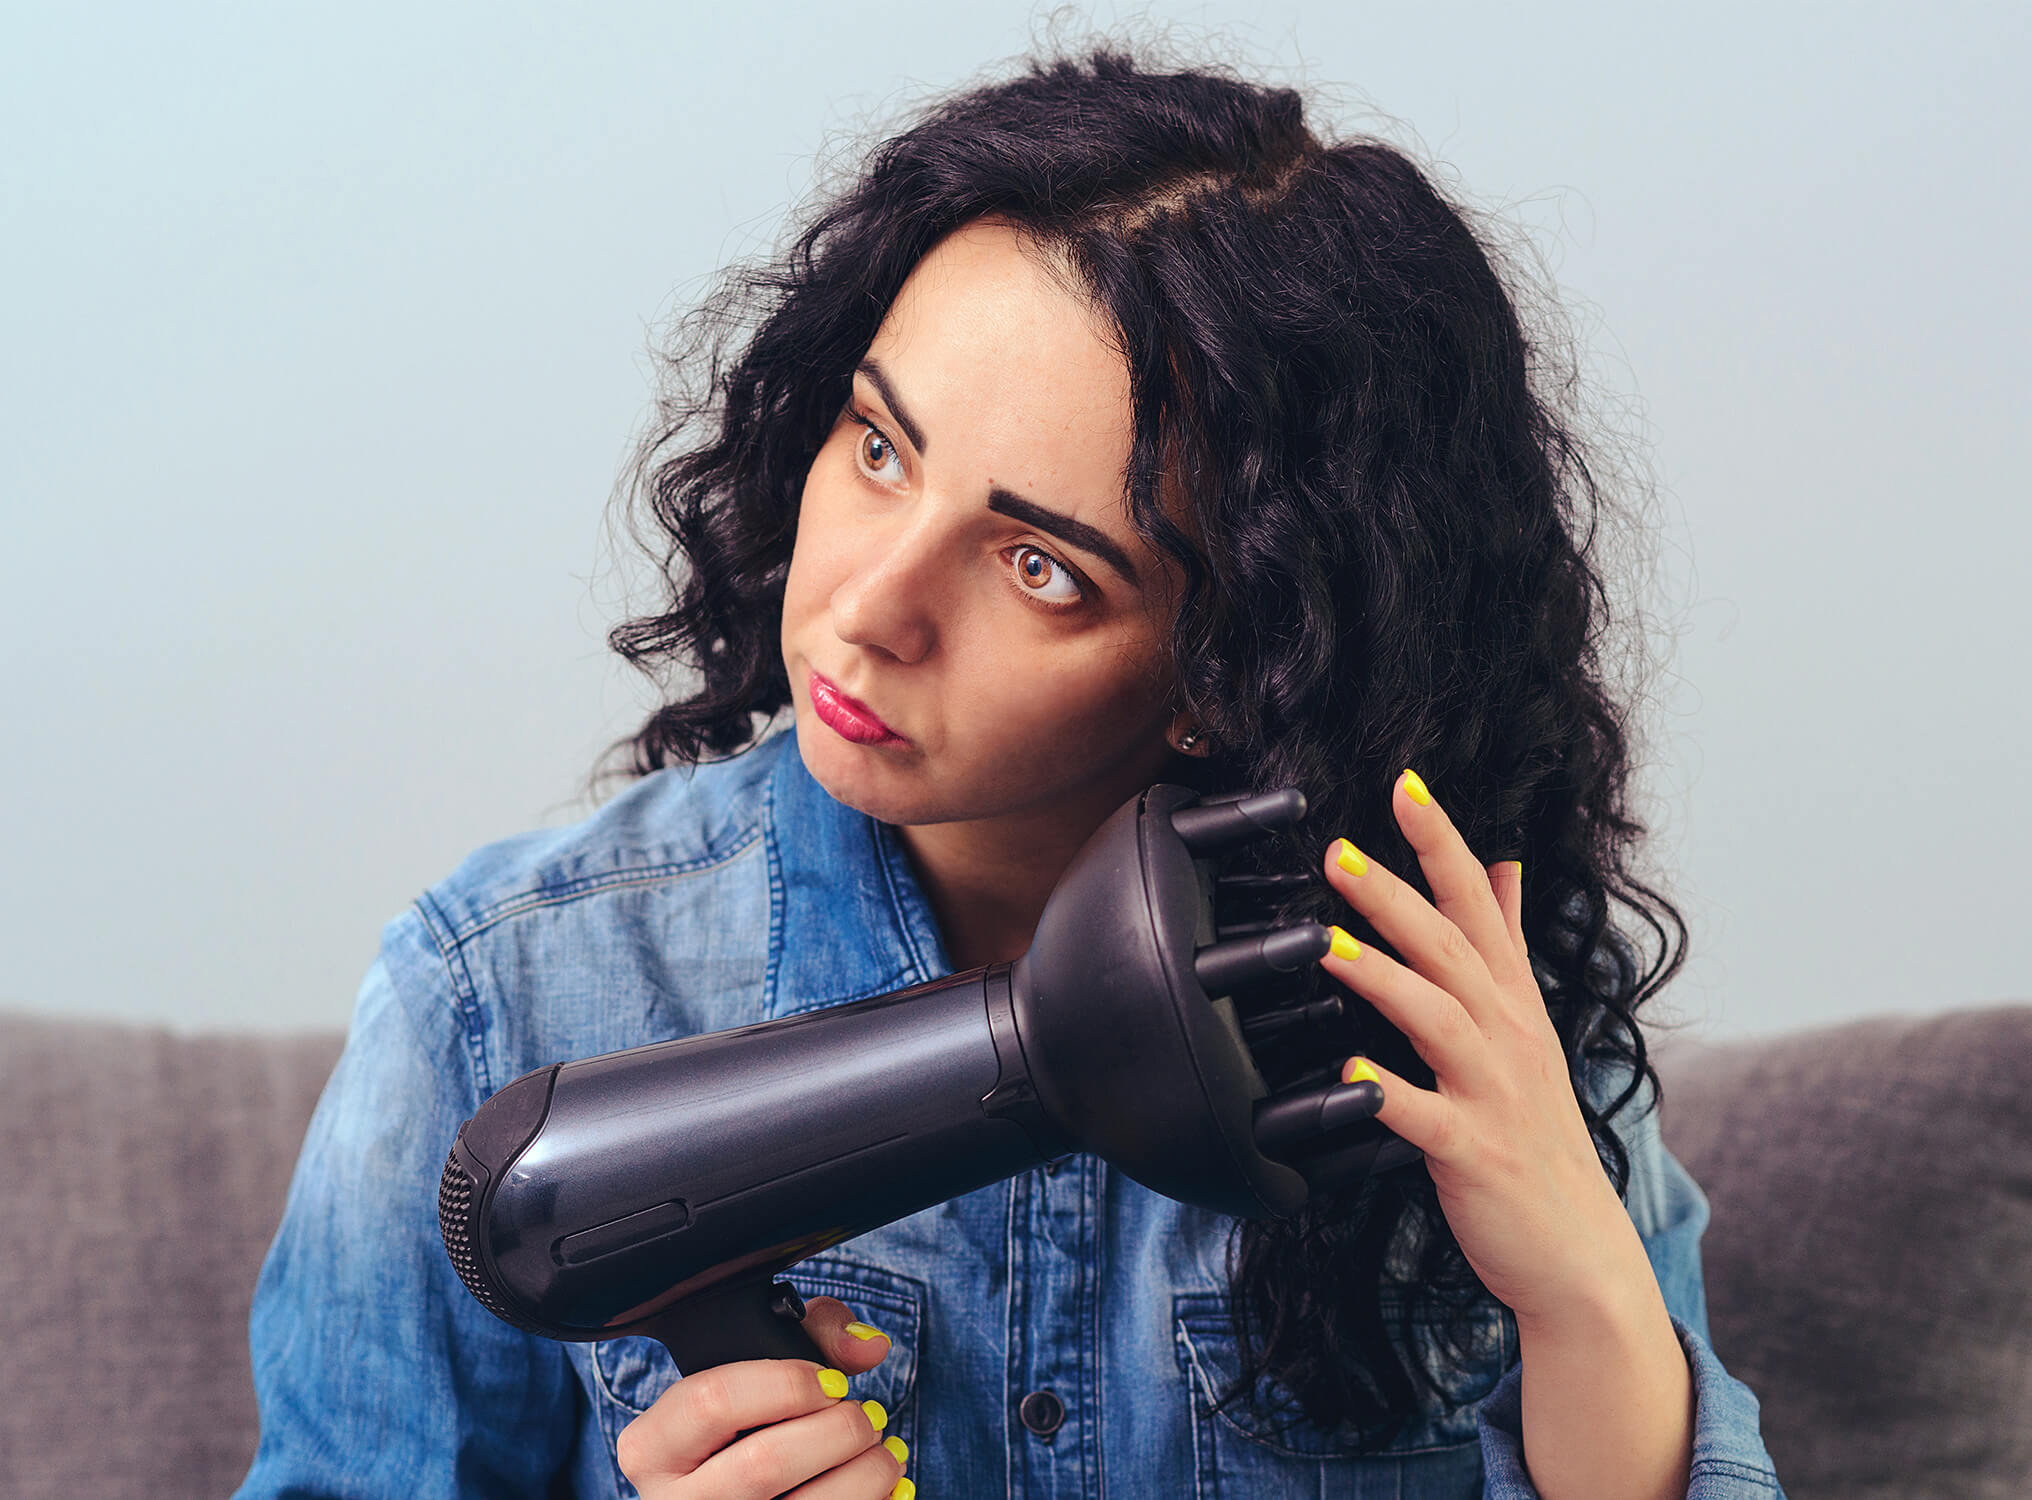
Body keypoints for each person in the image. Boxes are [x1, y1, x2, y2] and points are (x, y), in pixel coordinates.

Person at [233, 45, 1781, 1500]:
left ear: (1227, 666)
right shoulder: (501, 995)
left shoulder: (1421, 1011)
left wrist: (1586, 1297)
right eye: (880, 447)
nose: (870, 604)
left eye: (1041, 566)